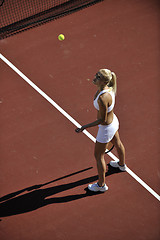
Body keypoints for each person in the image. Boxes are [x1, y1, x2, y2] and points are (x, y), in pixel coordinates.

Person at [75, 69, 126, 192]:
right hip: (113, 122)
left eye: (98, 77)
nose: (95, 77)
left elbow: (102, 120)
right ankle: (121, 165)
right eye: (96, 75)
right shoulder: (109, 88)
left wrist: (84, 127)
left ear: (104, 81)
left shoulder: (103, 98)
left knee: (98, 156)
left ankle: (101, 185)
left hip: (106, 128)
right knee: (117, 143)